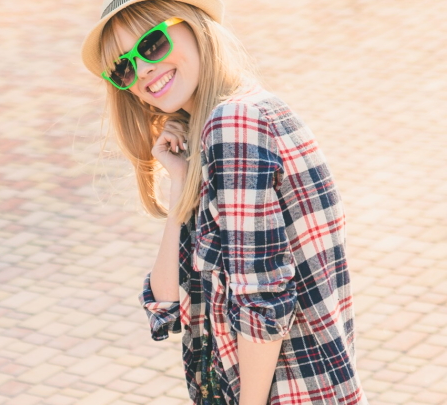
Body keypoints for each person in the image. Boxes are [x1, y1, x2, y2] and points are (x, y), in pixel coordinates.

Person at [80, 1, 365, 404]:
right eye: (124, 68)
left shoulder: (235, 124)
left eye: (153, 43)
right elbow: (166, 302)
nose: (142, 69)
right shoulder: (228, 123)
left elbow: (262, 302)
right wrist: (180, 182)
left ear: (194, 27)